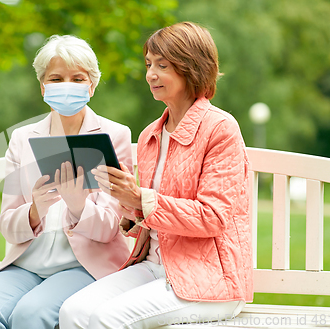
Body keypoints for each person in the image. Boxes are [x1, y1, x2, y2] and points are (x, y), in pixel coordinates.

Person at [59, 22, 253, 328]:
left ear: (192, 68)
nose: (150, 74)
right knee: (72, 311)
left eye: (162, 65)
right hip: (153, 267)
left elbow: (214, 217)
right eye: (149, 64)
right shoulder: (152, 134)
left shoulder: (220, 128)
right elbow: (146, 217)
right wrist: (125, 200)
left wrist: (140, 198)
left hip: (209, 279)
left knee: (107, 319)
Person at [0, 35, 133, 329]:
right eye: (56, 78)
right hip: (27, 265)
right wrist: (34, 210)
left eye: (77, 78)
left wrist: (79, 205)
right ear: (43, 86)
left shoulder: (114, 136)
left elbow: (109, 229)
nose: (67, 85)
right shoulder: (22, 139)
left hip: (84, 266)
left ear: (91, 86)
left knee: (30, 313)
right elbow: (7, 225)